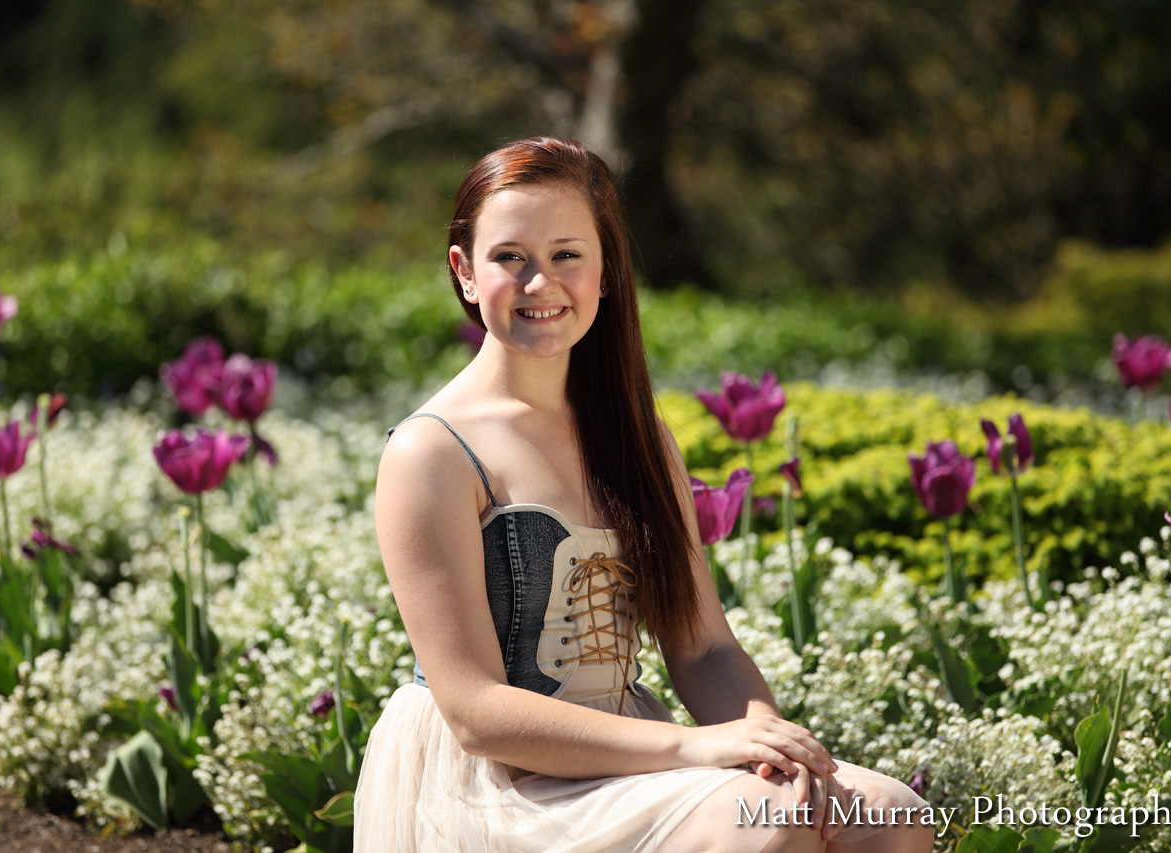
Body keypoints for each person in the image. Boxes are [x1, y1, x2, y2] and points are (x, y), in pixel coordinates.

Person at [354, 137, 933, 853]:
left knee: (888, 811)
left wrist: (771, 747)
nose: (541, 282)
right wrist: (697, 747)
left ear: (605, 273)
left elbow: (704, 647)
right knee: (771, 823)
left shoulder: (637, 433)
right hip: (495, 782)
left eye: (567, 254)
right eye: (511, 257)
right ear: (465, 272)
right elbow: (478, 714)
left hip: (625, 756)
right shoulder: (431, 450)